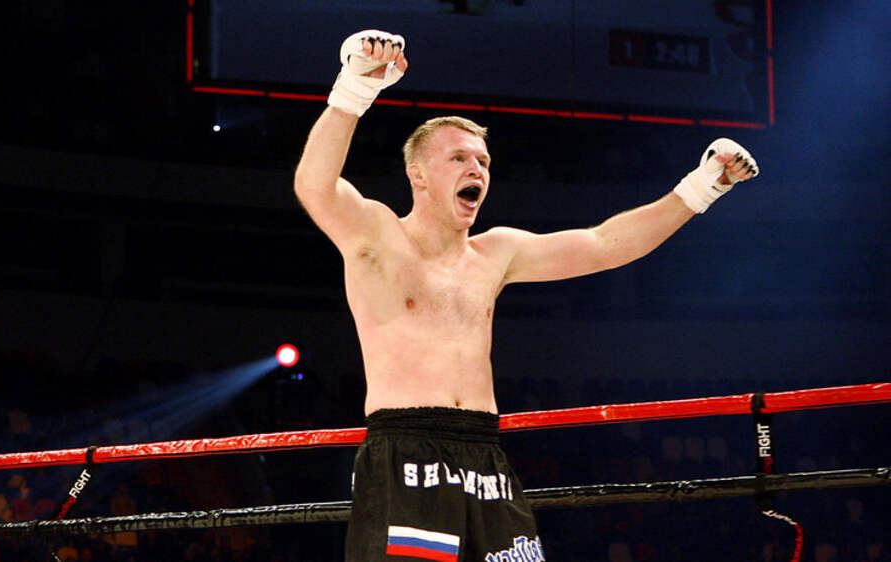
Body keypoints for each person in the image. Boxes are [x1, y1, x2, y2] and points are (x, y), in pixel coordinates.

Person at [293, 30, 758, 561]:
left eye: (483, 161)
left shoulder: (496, 253)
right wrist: (353, 90)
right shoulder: (376, 236)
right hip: (406, 448)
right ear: (417, 174)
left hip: (485, 454)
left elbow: (605, 245)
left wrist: (701, 188)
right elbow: (315, 186)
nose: (476, 169)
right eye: (459, 158)